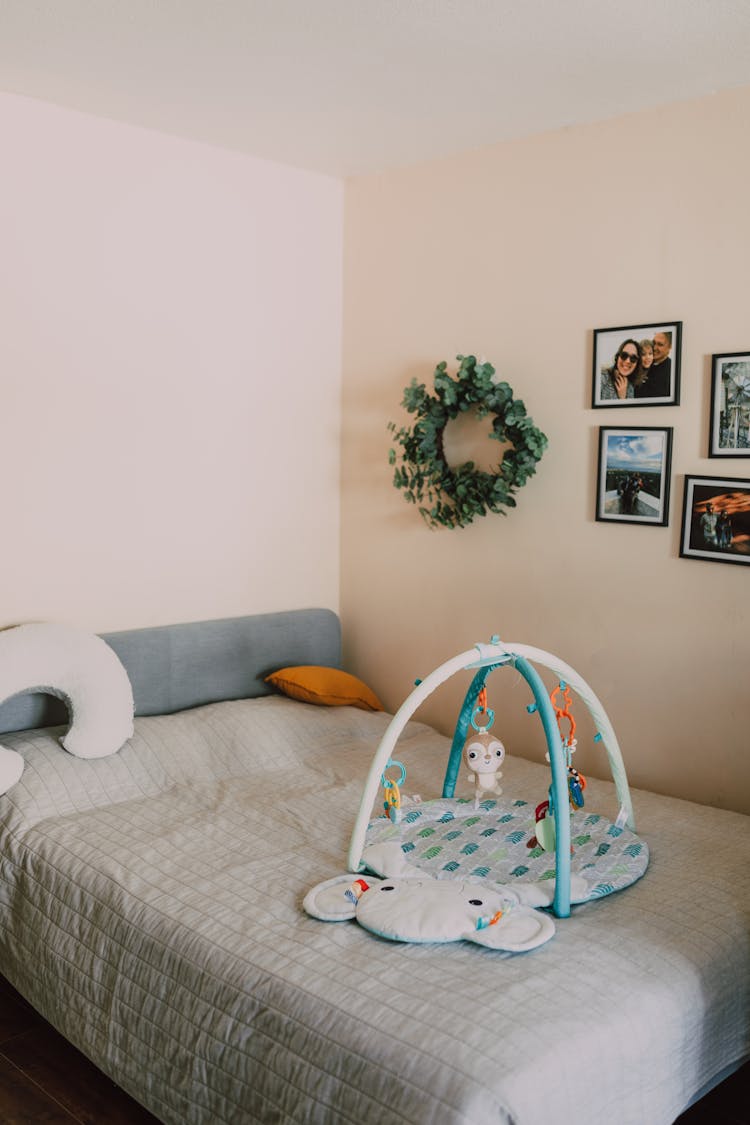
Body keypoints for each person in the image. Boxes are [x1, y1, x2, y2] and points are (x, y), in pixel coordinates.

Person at [635, 331, 671, 399]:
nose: (654, 348)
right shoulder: (643, 367)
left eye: (660, 344)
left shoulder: (671, 371)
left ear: (669, 347)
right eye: (654, 343)